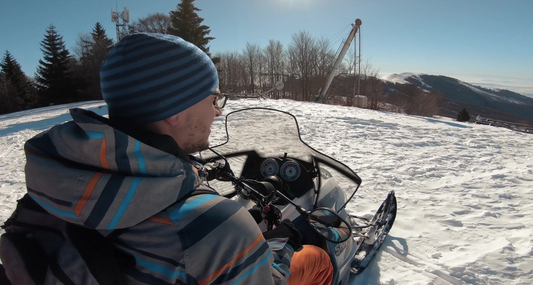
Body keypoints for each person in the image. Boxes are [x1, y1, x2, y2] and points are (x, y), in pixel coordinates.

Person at [0, 33, 332, 284]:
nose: (217, 113)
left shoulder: (55, 186)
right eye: (213, 100)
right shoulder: (216, 228)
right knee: (315, 258)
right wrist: (280, 247)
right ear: (176, 109)